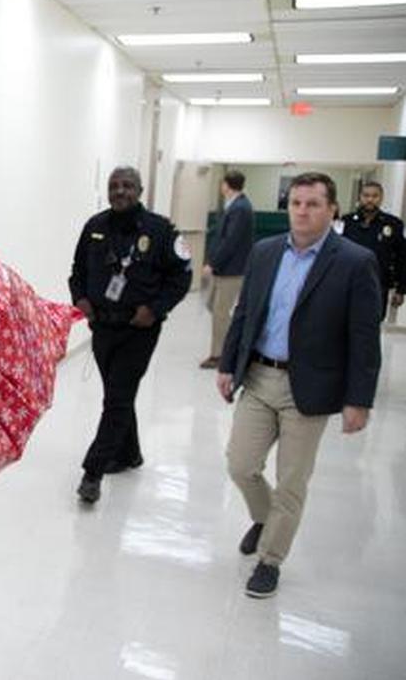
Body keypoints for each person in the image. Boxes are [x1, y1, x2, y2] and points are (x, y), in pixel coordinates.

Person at [217, 172, 381, 599]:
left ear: (332, 209)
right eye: (295, 203)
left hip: (309, 387)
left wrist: (358, 400)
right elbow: (244, 313)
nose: (302, 212)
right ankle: (265, 518)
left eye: (312, 204)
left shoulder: (355, 261)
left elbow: (364, 339)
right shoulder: (265, 251)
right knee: (240, 465)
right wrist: (228, 365)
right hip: (259, 376)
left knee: (291, 480)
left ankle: (270, 560)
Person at [68, 167, 192, 504]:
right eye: (114, 186)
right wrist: (80, 299)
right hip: (102, 327)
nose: (120, 191)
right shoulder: (95, 227)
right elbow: (77, 271)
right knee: (117, 394)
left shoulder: (160, 230)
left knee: (117, 398)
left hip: (139, 330)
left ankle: (92, 473)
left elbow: (181, 278)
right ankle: (129, 453)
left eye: (127, 186)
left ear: (140, 190)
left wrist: (155, 309)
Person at [200, 170, 254, 369]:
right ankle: (229, 345)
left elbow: (230, 241)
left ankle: (220, 355)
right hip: (225, 269)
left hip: (231, 270)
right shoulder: (235, 206)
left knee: (221, 312)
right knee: (213, 306)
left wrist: (213, 263)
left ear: (226, 185)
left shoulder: (240, 208)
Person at [336, 181, 406, 320]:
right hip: (348, 283)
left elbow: (402, 257)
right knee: (344, 322)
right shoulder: (346, 221)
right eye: (366, 195)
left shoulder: (394, 224)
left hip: (378, 284)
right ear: (360, 197)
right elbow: (336, 252)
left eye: (375, 196)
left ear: (381, 198)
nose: (370, 199)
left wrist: (401, 290)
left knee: (372, 323)